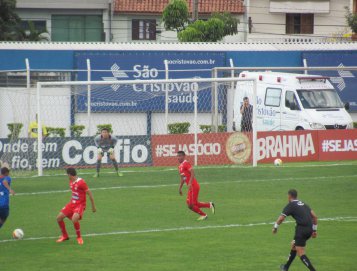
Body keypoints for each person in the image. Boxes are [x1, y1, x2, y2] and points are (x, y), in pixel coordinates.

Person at [273, 189, 318, 271]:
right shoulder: (304, 204)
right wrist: (314, 231)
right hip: (309, 229)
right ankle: (286, 267)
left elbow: (281, 219)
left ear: (289, 196)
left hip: (302, 230)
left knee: (301, 252)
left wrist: (275, 227)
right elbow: (314, 216)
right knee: (294, 245)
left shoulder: (291, 205)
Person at [56, 168, 96, 245]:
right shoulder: (71, 181)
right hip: (72, 204)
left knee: (74, 219)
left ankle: (79, 237)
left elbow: (90, 194)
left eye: (67, 174)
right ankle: (65, 236)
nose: (66, 176)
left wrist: (93, 207)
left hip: (80, 204)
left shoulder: (81, 182)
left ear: (69, 175)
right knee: (59, 218)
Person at [177, 151, 215, 221]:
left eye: (180, 156)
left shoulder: (186, 163)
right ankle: (210, 205)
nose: (178, 158)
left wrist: (190, 183)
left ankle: (204, 215)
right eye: (177, 156)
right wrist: (180, 188)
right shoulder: (180, 167)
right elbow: (183, 178)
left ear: (184, 156)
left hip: (193, 186)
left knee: (191, 205)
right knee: (192, 203)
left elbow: (193, 173)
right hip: (191, 187)